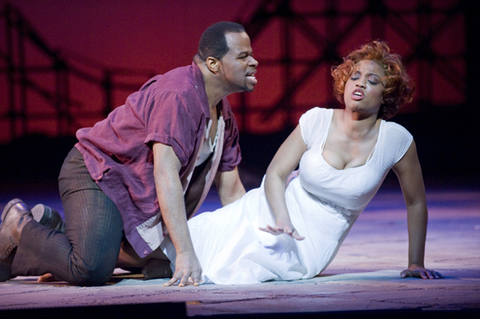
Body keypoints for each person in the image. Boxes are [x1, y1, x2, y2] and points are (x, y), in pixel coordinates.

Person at [155, 40, 441, 285]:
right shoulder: (317, 120)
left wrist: (415, 262)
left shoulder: (396, 140)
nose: (360, 83)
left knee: (221, 262)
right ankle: (115, 253)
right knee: (166, 249)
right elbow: (277, 173)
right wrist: (281, 217)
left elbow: (416, 202)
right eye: (355, 76)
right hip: (270, 210)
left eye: (372, 80)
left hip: (311, 245)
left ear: (386, 94)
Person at [0, 21, 258, 287]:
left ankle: (56, 231)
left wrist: (255, 243)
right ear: (214, 64)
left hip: (134, 192)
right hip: (97, 173)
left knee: (155, 259)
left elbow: (231, 191)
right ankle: (19, 228)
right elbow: (165, 173)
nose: (254, 62)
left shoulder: (223, 115)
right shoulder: (178, 96)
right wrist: (185, 252)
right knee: (91, 269)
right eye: (243, 56)